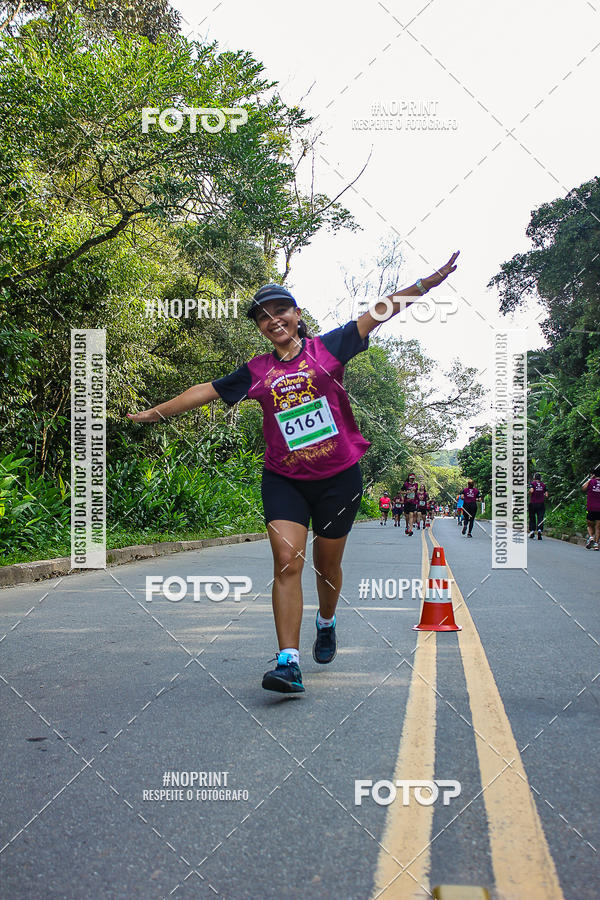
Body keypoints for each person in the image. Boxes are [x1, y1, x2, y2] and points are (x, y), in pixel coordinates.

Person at [127, 253, 461, 693]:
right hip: (284, 478)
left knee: (327, 567)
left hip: (339, 478)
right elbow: (204, 391)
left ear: (296, 315)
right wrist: (155, 413)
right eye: (263, 318)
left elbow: (380, 311)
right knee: (287, 562)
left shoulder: (330, 347)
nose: (272, 321)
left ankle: (326, 620)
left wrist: (428, 283)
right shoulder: (257, 371)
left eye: (280, 311)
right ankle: (288, 660)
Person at [582, 466, 600, 550]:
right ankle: (596, 544)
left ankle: (591, 537)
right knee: (598, 527)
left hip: (591, 508)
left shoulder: (590, 482)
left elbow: (583, 488)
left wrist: (590, 479)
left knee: (589, 525)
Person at [528, 473, 548, 540]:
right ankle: (539, 530)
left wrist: (529, 493)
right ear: (540, 478)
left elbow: (531, 490)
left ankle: (532, 531)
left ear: (534, 478)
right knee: (540, 518)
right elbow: (546, 495)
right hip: (541, 504)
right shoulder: (543, 485)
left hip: (533, 503)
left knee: (532, 517)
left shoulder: (532, 484)